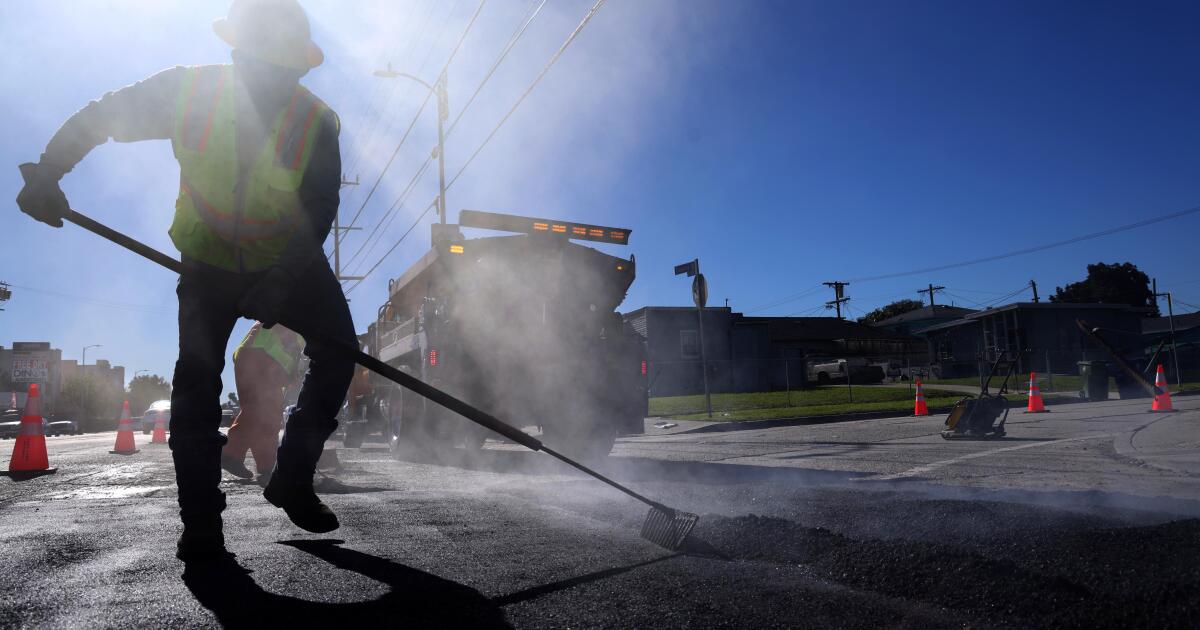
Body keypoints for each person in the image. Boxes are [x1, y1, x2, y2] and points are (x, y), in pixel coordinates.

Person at [16, 0, 356, 561]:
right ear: (240, 54)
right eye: (267, 62)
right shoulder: (190, 92)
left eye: (288, 66)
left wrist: (280, 278)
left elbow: (318, 208)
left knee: (339, 352)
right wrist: (49, 171)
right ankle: (200, 523)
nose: (279, 76)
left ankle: (293, 476)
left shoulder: (315, 121)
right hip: (208, 258)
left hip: (286, 259)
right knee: (196, 383)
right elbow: (105, 116)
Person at [222, 322, 306, 482]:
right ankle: (231, 454)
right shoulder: (300, 319)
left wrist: (289, 373)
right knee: (262, 412)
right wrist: (292, 373)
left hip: (254, 356)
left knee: (259, 413)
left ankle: (265, 464)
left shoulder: (298, 318)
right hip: (262, 358)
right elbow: (289, 342)